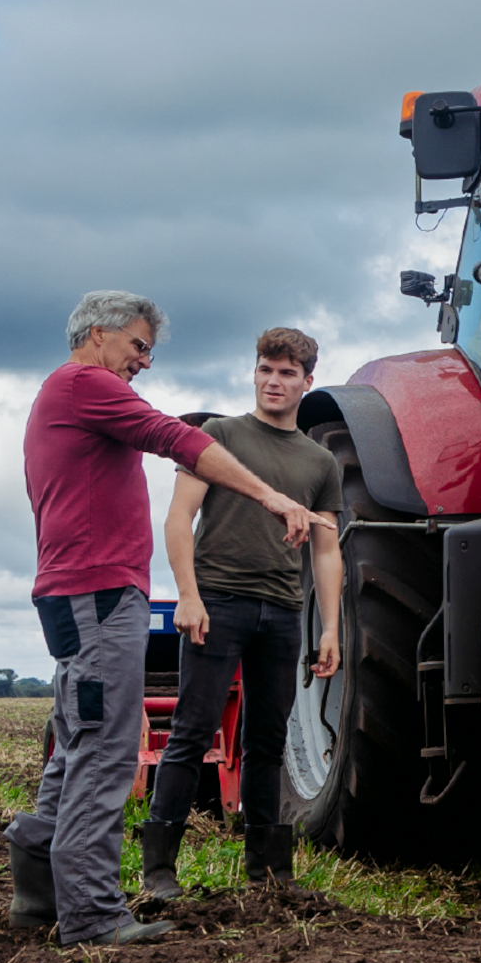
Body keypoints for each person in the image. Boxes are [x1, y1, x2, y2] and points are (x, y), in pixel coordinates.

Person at [8, 291, 331, 947]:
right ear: (97, 334)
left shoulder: (65, 394)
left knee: (74, 743)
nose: (144, 362)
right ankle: (92, 914)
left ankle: (39, 897)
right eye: (138, 346)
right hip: (98, 596)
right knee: (104, 747)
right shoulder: (84, 384)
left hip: (78, 593)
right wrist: (269, 494)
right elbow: (173, 437)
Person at [139, 328, 342, 898]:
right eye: (265, 370)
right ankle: (159, 872)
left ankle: (270, 874)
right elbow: (179, 519)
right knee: (191, 731)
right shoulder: (219, 436)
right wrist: (188, 595)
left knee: (268, 740)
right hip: (218, 602)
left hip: (281, 610)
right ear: (254, 374)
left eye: (286, 373)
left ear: (307, 382)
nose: (273, 381)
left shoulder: (320, 461)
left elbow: (328, 549)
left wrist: (330, 628)